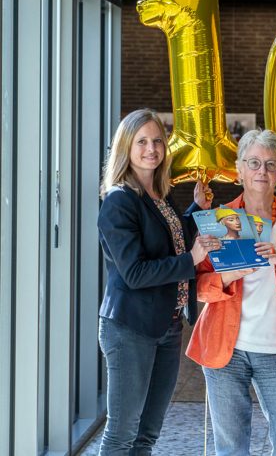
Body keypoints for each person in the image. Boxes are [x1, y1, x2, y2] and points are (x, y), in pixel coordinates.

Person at [186, 129, 276, 456]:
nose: (261, 171)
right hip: (225, 348)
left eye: (270, 164)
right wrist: (229, 275)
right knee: (231, 447)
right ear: (239, 170)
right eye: (253, 163)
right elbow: (197, 286)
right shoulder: (218, 219)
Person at [97, 108, 218, 455]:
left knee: (147, 434)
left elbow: (171, 240)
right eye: (142, 142)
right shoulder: (119, 201)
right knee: (122, 435)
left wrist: (195, 209)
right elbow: (135, 273)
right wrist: (191, 260)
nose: (152, 149)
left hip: (167, 325)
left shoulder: (159, 196)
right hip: (130, 328)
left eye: (157, 142)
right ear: (126, 147)